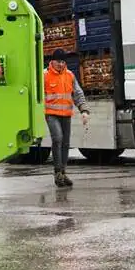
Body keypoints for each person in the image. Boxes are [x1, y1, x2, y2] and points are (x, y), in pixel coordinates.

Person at [43, 49, 89, 187]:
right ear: (52, 61)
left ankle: (62, 172)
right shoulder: (44, 75)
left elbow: (78, 94)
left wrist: (84, 110)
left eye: (63, 62)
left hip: (66, 115)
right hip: (51, 114)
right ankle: (57, 173)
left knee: (66, 144)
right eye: (58, 61)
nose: (61, 64)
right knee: (57, 139)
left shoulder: (69, 75)